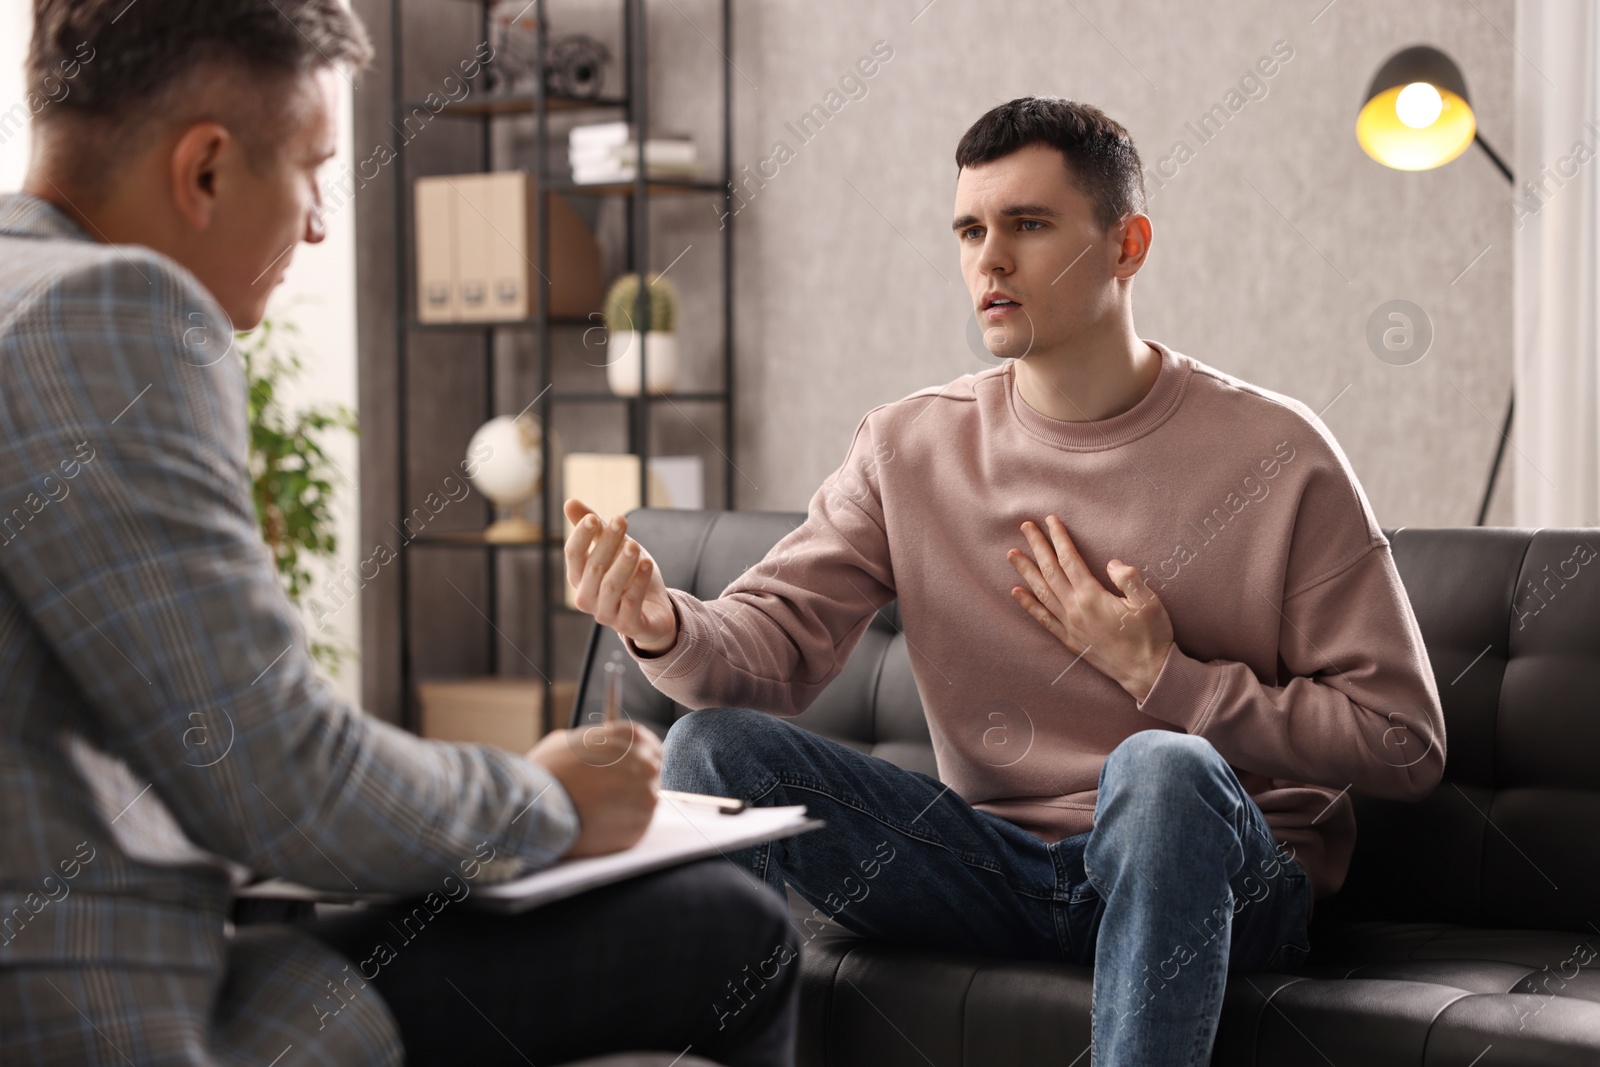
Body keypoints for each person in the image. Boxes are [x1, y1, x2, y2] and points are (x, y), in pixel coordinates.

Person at [563, 96, 1448, 1066]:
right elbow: (765, 647)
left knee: (1158, 766)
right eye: (971, 230)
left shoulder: (1279, 453)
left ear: (1127, 245)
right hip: (990, 871)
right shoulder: (907, 446)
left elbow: (1403, 741)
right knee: (711, 747)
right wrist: (658, 623)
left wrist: (1168, 677)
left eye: (1027, 225)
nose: (990, 259)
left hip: (1218, 879)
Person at [0, 2, 797, 1065]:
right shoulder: (110, 310)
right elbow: (269, 771)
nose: (322, 222)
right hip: (99, 1011)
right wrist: (547, 797)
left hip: (173, 934)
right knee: (732, 930)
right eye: (314, 169)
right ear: (205, 171)